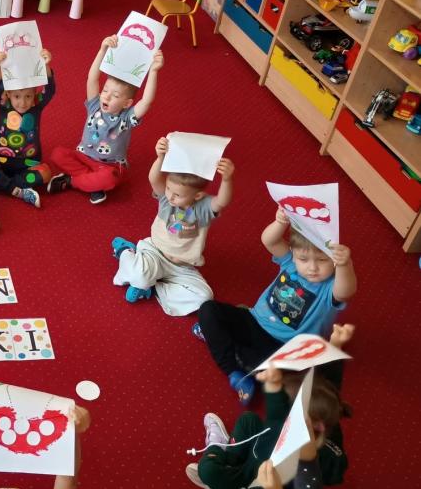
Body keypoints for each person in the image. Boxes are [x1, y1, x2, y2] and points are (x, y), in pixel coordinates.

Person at [197, 206, 356, 404]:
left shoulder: (329, 287)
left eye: (322, 260)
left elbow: (345, 291)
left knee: (271, 374)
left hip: (282, 346)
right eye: (303, 259)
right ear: (293, 254)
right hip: (253, 320)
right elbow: (269, 241)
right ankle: (233, 372)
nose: (312, 267)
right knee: (208, 310)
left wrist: (345, 265)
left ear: (333, 262)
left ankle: (222, 343)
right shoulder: (290, 264)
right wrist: (280, 222)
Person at [185, 361, 350, 489]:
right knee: (248, 419)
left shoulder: (320, 459)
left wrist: (309, 451)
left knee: (207, 469)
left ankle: (217, 452)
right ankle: (229, 460)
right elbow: (277, 409)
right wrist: (273, 382)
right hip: (258, 455)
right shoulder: (309, 418)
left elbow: (335, 471)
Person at [111, 136, 234, 316]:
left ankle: (154, 287)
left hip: (182, 267)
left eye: (178, 195)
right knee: (139, 276)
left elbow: (222, 201)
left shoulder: (203, 208)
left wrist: (227, 180)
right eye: (169, 189)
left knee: (204, 297)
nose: (170, 196)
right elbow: (153, 179)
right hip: (155, 253)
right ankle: (126, 252)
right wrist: (160, 157)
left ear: (198, 196)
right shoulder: (165, 200)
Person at [48, 35, 163, 204]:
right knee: (57, 154)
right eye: (105, 91)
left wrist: (153, 71)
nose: (107, 97)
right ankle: (91, 184)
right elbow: (92, 79)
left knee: (109, 179)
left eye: (115, 95)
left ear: (127, 103)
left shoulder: (126, 118)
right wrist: (102, 50)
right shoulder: (95, 106)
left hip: (109, 166)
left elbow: (146, 101)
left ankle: (72, 181)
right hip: (83, 157)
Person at [0, 48, 55, 209]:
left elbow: (49, 90)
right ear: (8, 95)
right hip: (0, 159)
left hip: (28, 162)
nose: (23, 102)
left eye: (28, 96)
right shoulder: (4, 104)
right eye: (17, 96)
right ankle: (18, 191)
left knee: (46, 173)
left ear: (34, 95)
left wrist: (46, 66)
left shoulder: (36, 106)